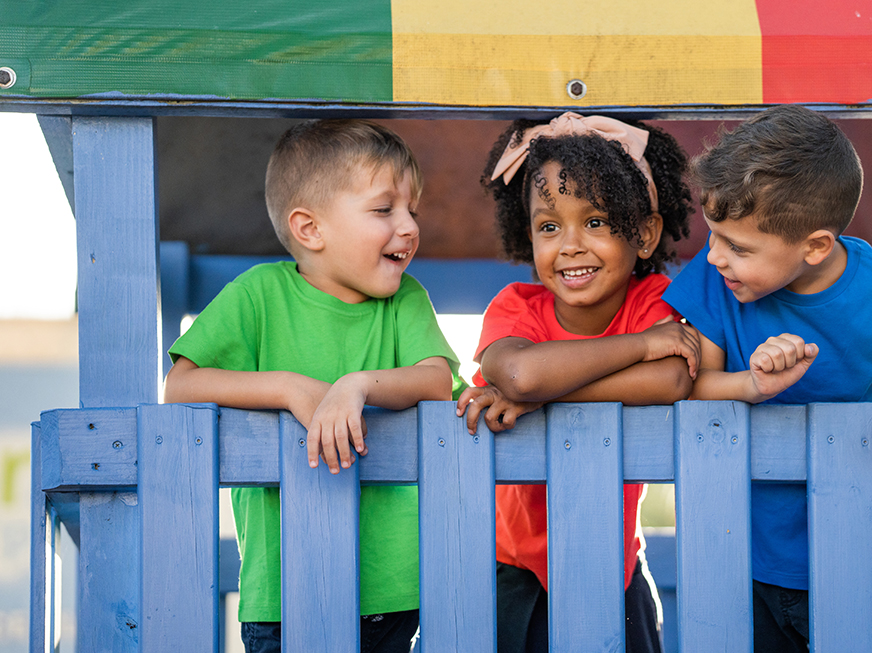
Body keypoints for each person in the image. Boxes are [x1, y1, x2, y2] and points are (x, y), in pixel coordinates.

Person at [662, 105, 872, 652]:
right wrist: (750, 383)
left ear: (815, 246)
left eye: (739, 247)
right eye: (713, 236)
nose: (714, 256)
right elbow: (690, 384)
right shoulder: (713, 281)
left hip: (858, 551)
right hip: (741, 550)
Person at [164, 119, 464, 653]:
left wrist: (355, 385)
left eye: (411, 211)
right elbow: (181, 386)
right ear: (310, 229)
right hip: (281, 592)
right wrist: (287, 388)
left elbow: (437, 380)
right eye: (383, 209)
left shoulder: (404, 301)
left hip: (393, 591)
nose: (410, 226)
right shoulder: (258, 295)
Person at [455, 112, 698, 653]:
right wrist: (636, 348)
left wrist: (537, 398)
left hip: (617, 565)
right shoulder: (516, 308)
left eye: (595, 221)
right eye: (548, 226)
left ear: (645, 232)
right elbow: (519, 372)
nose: (569, 245)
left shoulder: (650, 300)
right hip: (510, 567)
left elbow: (673, 378)